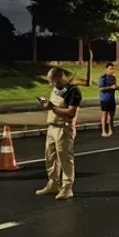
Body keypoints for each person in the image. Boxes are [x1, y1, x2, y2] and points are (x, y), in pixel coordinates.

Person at [36, 68, 82, 200]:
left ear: (61, 78)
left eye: (53, 81)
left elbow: (71, 113)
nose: (52, 84)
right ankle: (53, 183)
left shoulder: (73, 91)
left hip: (64, 128)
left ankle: (67, 187)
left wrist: (53, 108)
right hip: (51, 126)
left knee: (65, 158)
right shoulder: (56, 90)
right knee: (50, 157)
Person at [97, 62, 119, 137]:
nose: (112, 70)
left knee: (111, 116)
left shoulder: (113, 77)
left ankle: (110, 130)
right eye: (110, 69)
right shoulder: (103, 78)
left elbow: (115, 86)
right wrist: (111, 87)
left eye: (113, 69)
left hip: (112, 99)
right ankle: (103, 131)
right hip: (105, 99)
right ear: (106, 69)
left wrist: (117, 87)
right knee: (105, 115)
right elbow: (100, 88)